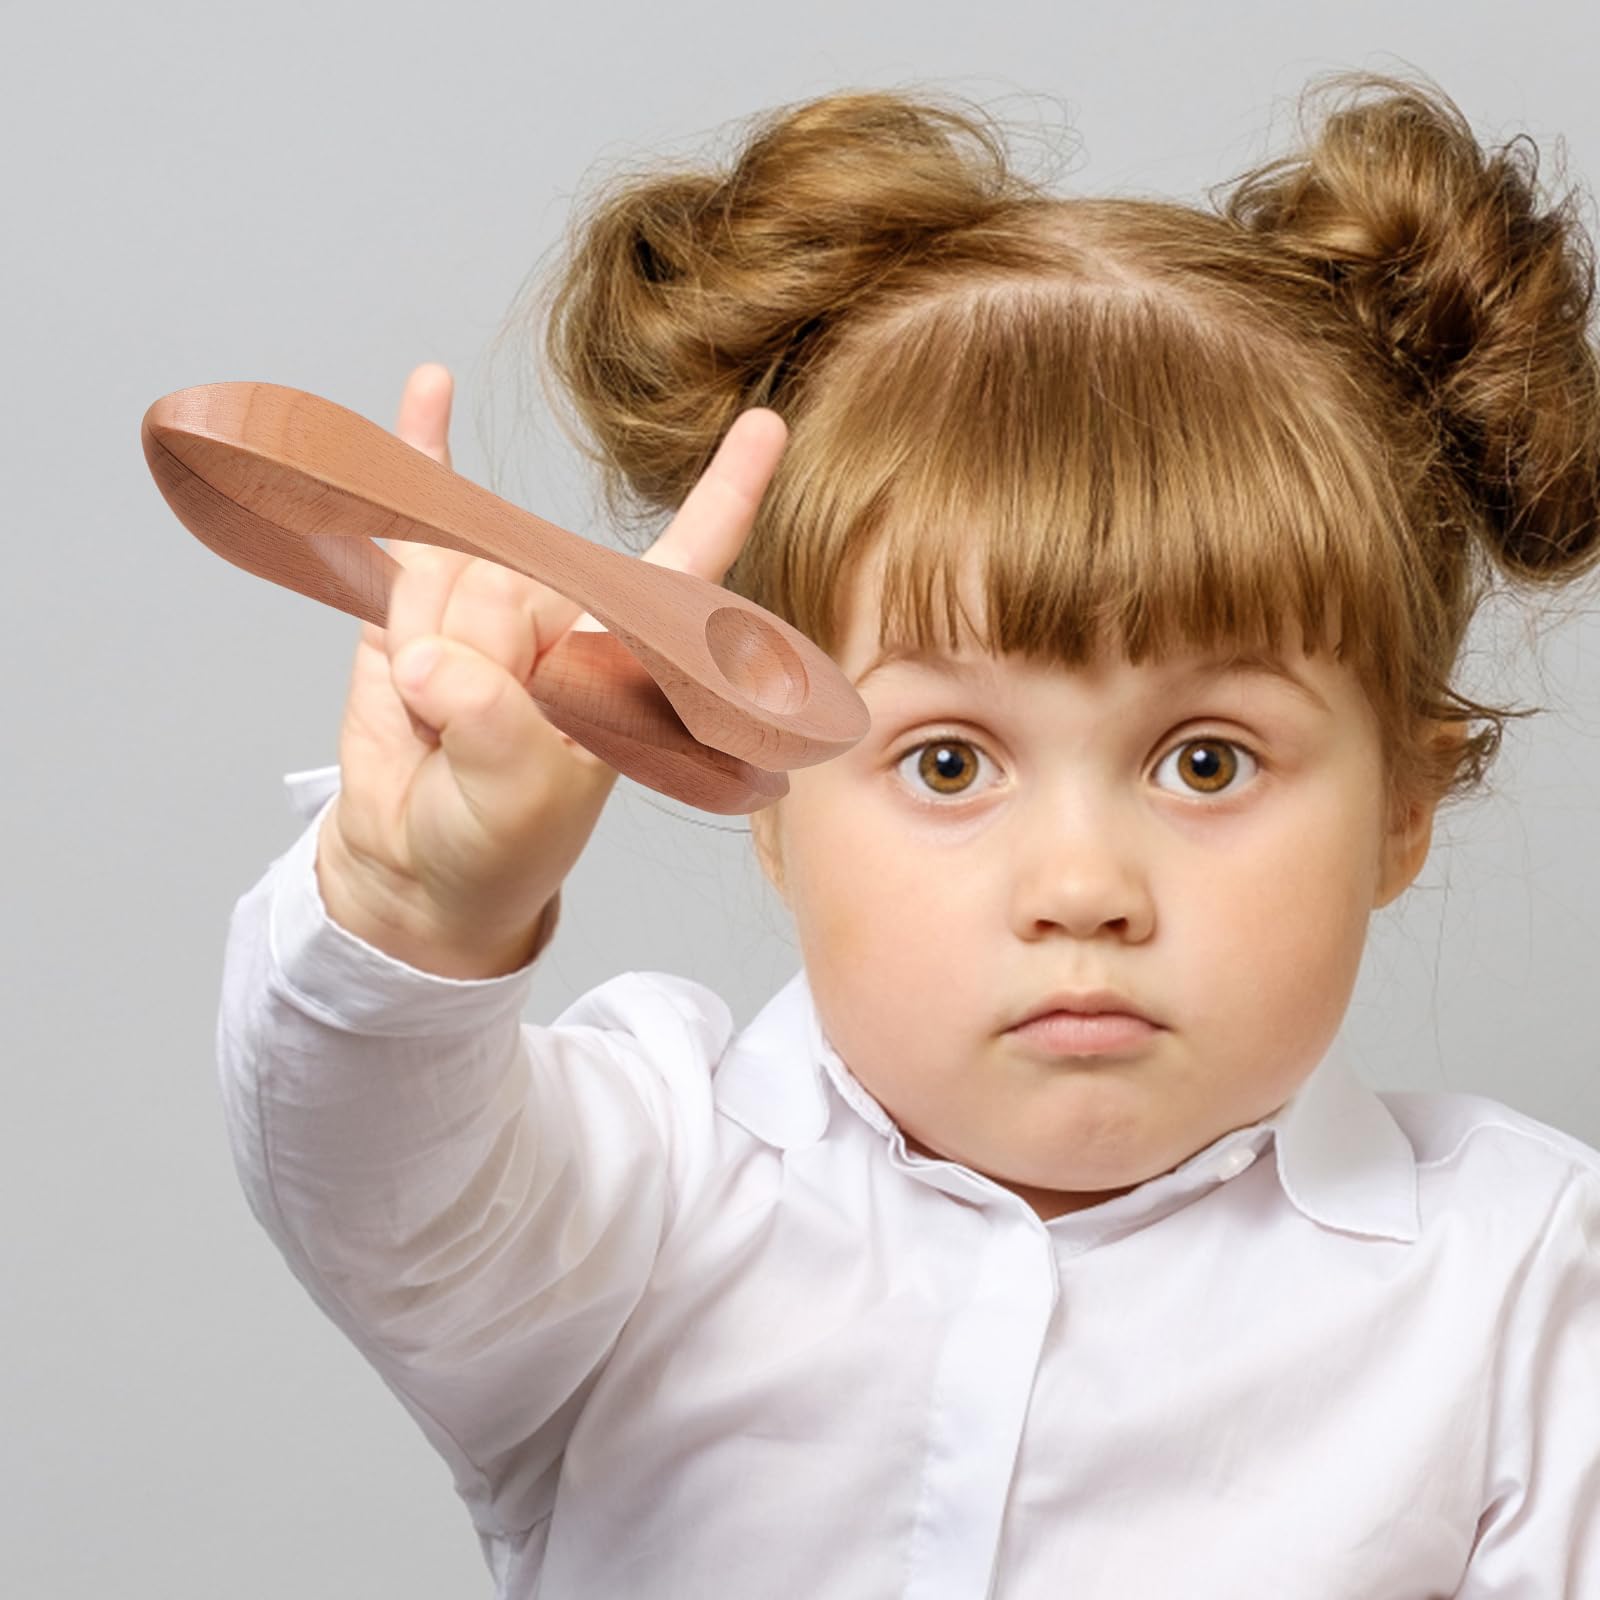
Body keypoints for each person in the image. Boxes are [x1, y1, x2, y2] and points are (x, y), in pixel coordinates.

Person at [218, 69, 1600, 1597]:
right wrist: (420, 906)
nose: (1083, 888)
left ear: (1405, 804)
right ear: (761, 787)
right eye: (948, 763)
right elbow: (377, 1180)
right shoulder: (646, 1195)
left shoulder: (1519, 1289)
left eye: (1207, 763)